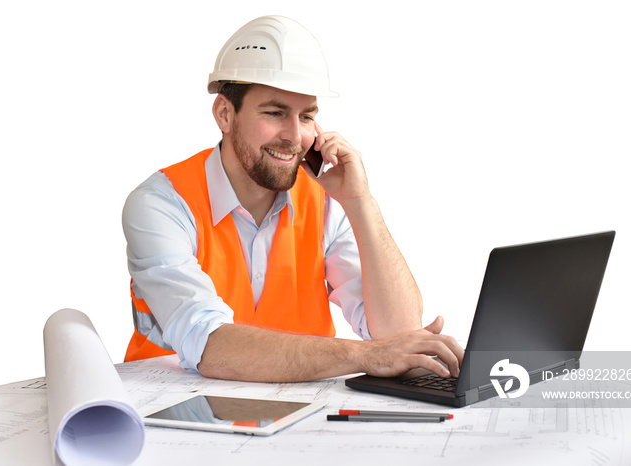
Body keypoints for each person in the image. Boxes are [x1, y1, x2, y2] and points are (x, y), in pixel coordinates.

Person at [122, 15, 463, 382]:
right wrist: (364, 355)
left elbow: (397, 335)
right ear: (224, 113)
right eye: (274, 113)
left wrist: (360, 201)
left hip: (303, 414)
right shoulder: (163, 203)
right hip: (176, 410)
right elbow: (209, 346)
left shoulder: (328, 201)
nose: (294, 136)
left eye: (306, 116)